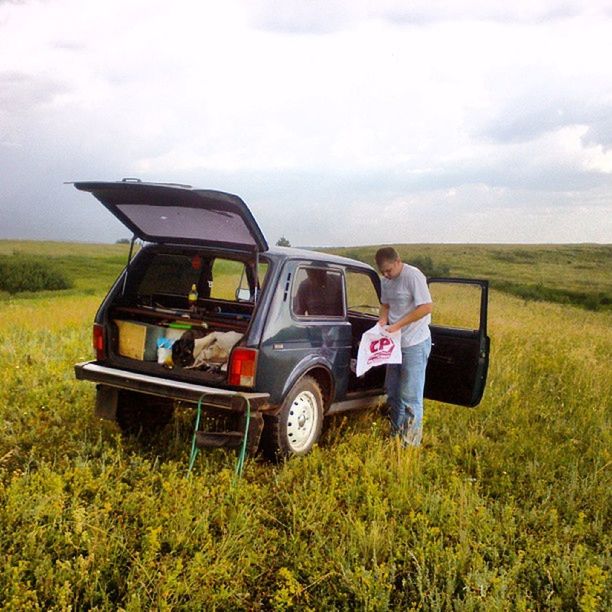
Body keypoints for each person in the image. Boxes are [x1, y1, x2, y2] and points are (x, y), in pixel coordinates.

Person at [376, 247, 433, 446]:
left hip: (414, 343)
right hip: (394, 344)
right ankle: (395, 436)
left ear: (398, 261)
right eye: (382, 271)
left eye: (389, 270)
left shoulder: (413, 276)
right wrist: (383, 321)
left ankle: (409, 444)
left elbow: (426, 307)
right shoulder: (386, 281)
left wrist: (398, 325)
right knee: (393, 392)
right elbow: (385, 304)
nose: (386, 275)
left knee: (410, 396)